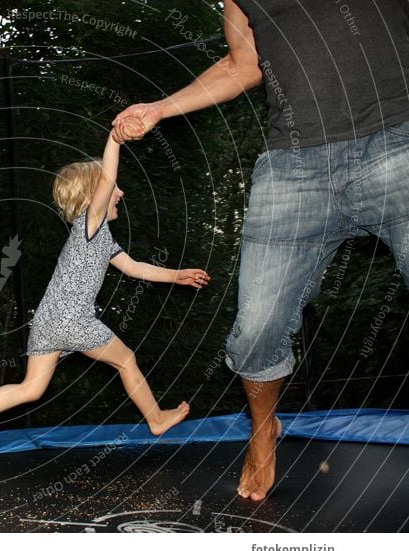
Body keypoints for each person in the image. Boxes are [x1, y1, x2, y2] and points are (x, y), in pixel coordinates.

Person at [112, 0, 409, 501]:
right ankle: (264, 429)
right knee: (255, 332)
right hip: (294, 168)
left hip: (398, 141)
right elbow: (242, 64)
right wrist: (159, 108)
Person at [0, 131, 211, 463]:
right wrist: (115, 138)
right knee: (126, 360)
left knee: (31, 389)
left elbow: (133, 267)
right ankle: (155, 419)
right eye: (115, 189)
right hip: (72, 319)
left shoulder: (100, 237)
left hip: (47, 320)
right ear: (95, 193)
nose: (121, 193)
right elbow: (109, 177)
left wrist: (176, 275)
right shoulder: (91, 222)